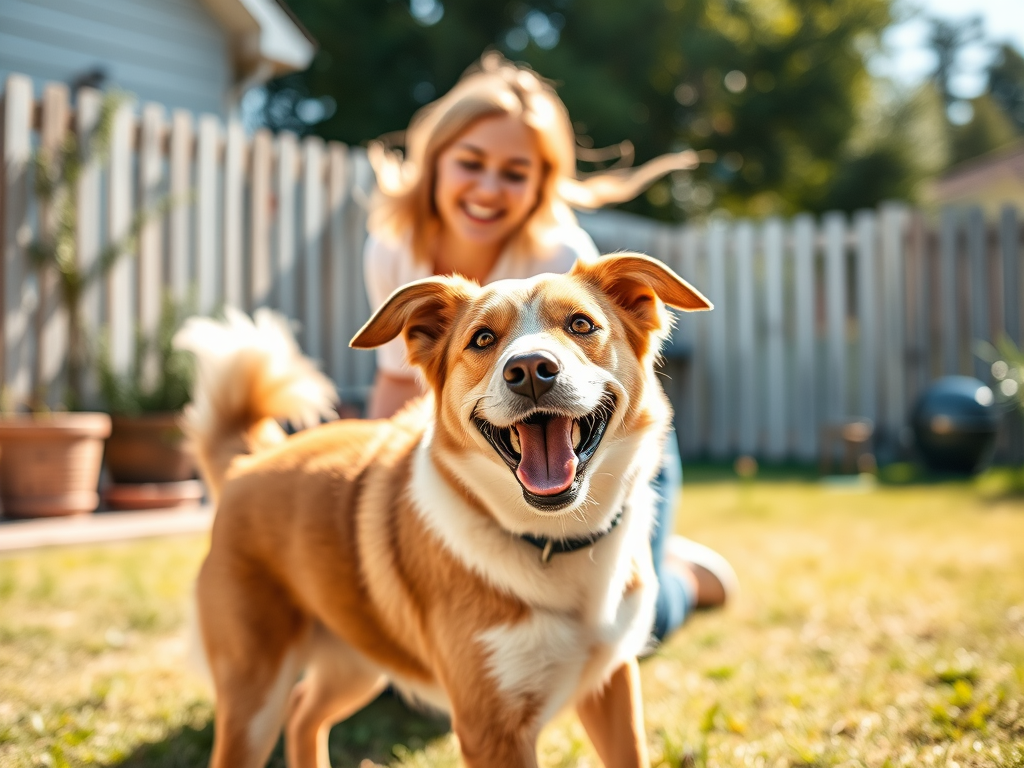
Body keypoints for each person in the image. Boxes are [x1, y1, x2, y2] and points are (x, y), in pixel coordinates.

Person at [363, 52, 736, 643]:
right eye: (471, 162)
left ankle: (682, 578)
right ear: (435, 163)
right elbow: (392, 381)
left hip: (599, 446)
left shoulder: (560, 257)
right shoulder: (394, 251)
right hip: (510, 453)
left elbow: (606, 375)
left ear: (541, 186)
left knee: (627, 630)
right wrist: (372, 492)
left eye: (515, 172)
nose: (489, 188)